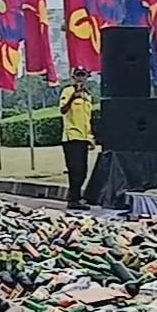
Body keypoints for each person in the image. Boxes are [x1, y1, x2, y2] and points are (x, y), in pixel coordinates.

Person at [58, 68, 96, 210]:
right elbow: (63, 110)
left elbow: (87, 119)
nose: (80, 78)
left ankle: (76, 197)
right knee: (75, 170)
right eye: (78, 75)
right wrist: (74, 95)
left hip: (83, 137)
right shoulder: (68, 91)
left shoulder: (88, 96)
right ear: (73, 77)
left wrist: (91, 137)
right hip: (71, 137)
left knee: (83, 170)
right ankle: (73, 199)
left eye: (83, 75)